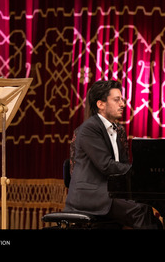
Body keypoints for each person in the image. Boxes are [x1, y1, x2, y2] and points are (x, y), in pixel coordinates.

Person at [64, 80, 162, 229]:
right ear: (100, 104)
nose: (123, 104)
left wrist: (141, 178)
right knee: (140, 211)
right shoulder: (89, 128)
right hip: (90, 196)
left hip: (110, 192)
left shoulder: (118, 130)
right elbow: (106, 165)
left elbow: (122, 165)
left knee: (145, 209)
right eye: (117, 100)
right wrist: (140, 173)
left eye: (122, 99)